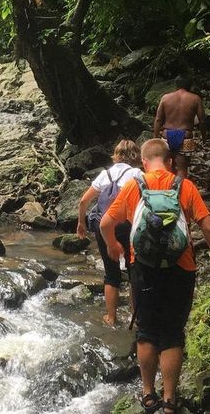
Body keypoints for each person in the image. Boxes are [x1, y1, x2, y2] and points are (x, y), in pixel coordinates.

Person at [101, 138, 210, 414]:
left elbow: (105, 222)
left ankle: (148, 395)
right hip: (181, 267)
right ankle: (170, 400)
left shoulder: (135, 185)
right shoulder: (185, 186)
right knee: (172, 333)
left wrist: (113, 245)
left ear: (143, 162)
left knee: (146, 332)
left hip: (142, 268)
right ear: (170, 161)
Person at [76, 139, 143, 326]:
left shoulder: (105, 174)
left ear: (116, 155)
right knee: (133, 270)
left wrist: (81, 223)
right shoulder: (137, 174)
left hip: (103, 226)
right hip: (127, 225)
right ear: (136, 156)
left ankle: (111, 317)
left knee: (111, 273)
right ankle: (135, 316)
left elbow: (83, 201)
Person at [153, 77, 206, 179]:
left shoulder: (165, 98)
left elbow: (158, 120)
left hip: (166, 136)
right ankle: (180, 192)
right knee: (182, 169)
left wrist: (155, 138)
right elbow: (202, 120)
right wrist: (204, 138)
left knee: (167, 167)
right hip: (185, 137)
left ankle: (167, 192)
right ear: (190, 86)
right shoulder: (195, 99)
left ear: (176, 85)